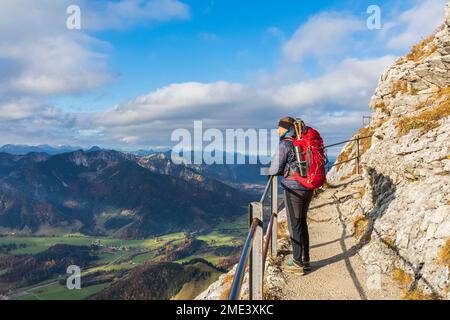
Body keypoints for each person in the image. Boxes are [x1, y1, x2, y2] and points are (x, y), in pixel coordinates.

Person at [268, 116, 314, 275]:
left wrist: (273, 172)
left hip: (293, 189)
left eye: (279, 127)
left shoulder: (285, 144)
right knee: (302, 223)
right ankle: (305, 260)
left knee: (294, 225)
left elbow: (275, 169)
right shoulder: (303, 141)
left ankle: (297, 262)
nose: (277, 130)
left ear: (286, 128)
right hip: (308, 188)